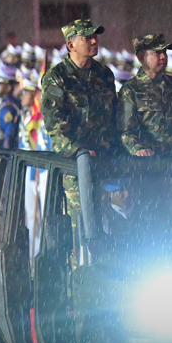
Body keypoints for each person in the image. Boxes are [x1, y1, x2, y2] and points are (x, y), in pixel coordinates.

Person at [40, 19, 118, 224]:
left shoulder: (104, 75)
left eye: (95, 37)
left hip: (104, 162)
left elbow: (113, 118)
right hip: (74, 167)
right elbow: (54, 125)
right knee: (81, 225)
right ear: (71, 45)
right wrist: (78, 151)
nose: (94, 41)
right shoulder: (57, 77)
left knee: (108, 224)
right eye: (87, 38)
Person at [119, 34, 172, 157]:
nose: (163, 57)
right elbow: (125, 131)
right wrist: (137, 149)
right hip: (147, 161)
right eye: (157, 53)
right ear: (141, 57)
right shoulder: (131, 90)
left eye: (164, 52)